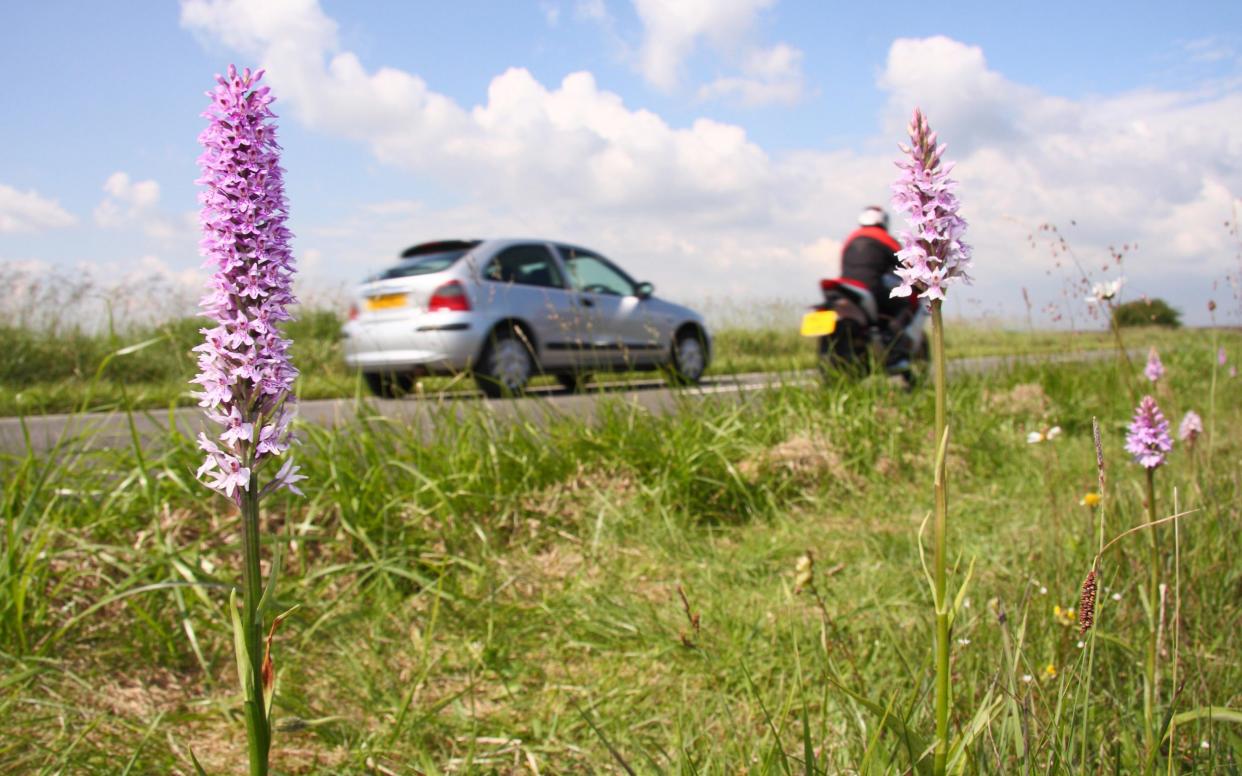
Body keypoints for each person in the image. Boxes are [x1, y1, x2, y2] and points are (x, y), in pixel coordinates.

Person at [840, 206, 906, 323]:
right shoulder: (885, 238)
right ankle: (896, 337)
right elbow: (903, 263)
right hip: (871, 286)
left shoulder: (851, 238)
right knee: (904, 303)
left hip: (845, 287)